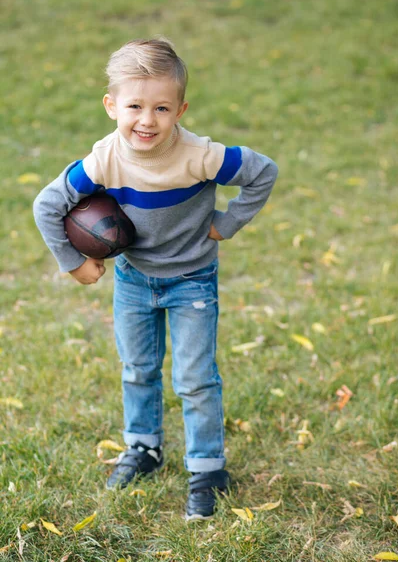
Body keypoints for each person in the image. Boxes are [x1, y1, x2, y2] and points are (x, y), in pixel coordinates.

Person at [33, 38, 278, 520]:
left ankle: (208, 469)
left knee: (195, 378)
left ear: (181, 109)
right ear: (111, 107)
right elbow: (47, 205)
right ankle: (143, 449)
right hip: (133, 280)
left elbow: (263, 172)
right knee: (137, 368)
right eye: (135, 106)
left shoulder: (201, 156)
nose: (147, 120)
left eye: (162, 108)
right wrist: (73, 261)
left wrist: (227, 222)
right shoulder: (104, 159)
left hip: (191, 281)